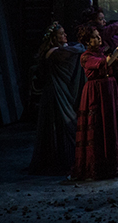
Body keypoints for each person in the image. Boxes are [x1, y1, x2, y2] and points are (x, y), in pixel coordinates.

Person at [70, 25, 118, 180]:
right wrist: (115, 52)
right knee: (96, 128)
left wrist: (115, 52)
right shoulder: (86, 56)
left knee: (110, 126)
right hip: (96, 93)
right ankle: (95, 168)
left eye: (98, 36)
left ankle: (112, 167)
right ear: (88, 41)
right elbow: (105, 63)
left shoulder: (103, 52)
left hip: (109, 91)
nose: (99, 38)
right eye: (94, 37)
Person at [29, 22, 86, 176]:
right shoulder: (54, 52)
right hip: (54, 93)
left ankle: (65, 158)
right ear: (54, 38)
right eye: (61, 34)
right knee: (57, 124)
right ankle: (59, 159)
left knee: (63, 124)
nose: (65, 35)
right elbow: (77, 49)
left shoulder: (60, 50)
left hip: (61, 91)